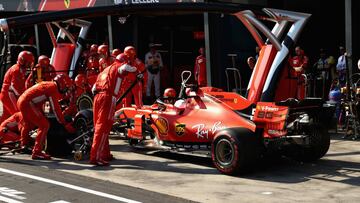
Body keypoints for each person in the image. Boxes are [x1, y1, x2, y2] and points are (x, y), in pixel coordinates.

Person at [90, 54, 137, 165]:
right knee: (104, 127)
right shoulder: (119, 66)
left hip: (97, 97)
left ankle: (104, 154)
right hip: (108, 97)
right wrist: (135, 69)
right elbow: (126, 68)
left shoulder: (104, 71)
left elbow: (93, 89)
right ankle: (96, 157)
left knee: (98, 126)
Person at [17, 74, 76, 160]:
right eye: (66, 87)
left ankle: (24, 144)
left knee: (29, 123)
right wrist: (64, 123)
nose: (65, 90)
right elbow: (56, 109)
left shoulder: (49, 84)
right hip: (27, 103)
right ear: (62, 84)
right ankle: (37, 151)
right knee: (44, 125)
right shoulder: (53, 89)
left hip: (23, 100)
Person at [0, 51, 34, 123]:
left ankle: (2, 129)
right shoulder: (16, 70)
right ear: (23, 61)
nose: (29, 65)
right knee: (18, 114)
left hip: (6, 94)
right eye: (28, 63)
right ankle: (18, 130)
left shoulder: (20, 69)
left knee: (6, 115)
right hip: (8, 95)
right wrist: (23, 97)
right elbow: (15, 87)